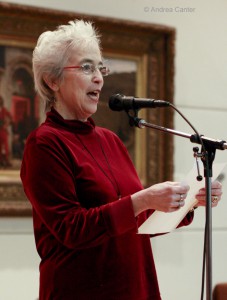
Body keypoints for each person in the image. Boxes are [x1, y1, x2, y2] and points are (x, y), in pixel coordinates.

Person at [20, 20, 222, 300]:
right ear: (51, 80)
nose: (99, 78)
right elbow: (72, 229)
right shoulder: (44, 143)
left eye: (100, 67)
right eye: (86, 67)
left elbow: (136, 222)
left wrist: (187, 201)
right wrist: (143, 200)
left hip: (135, 288)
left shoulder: (110, 140)